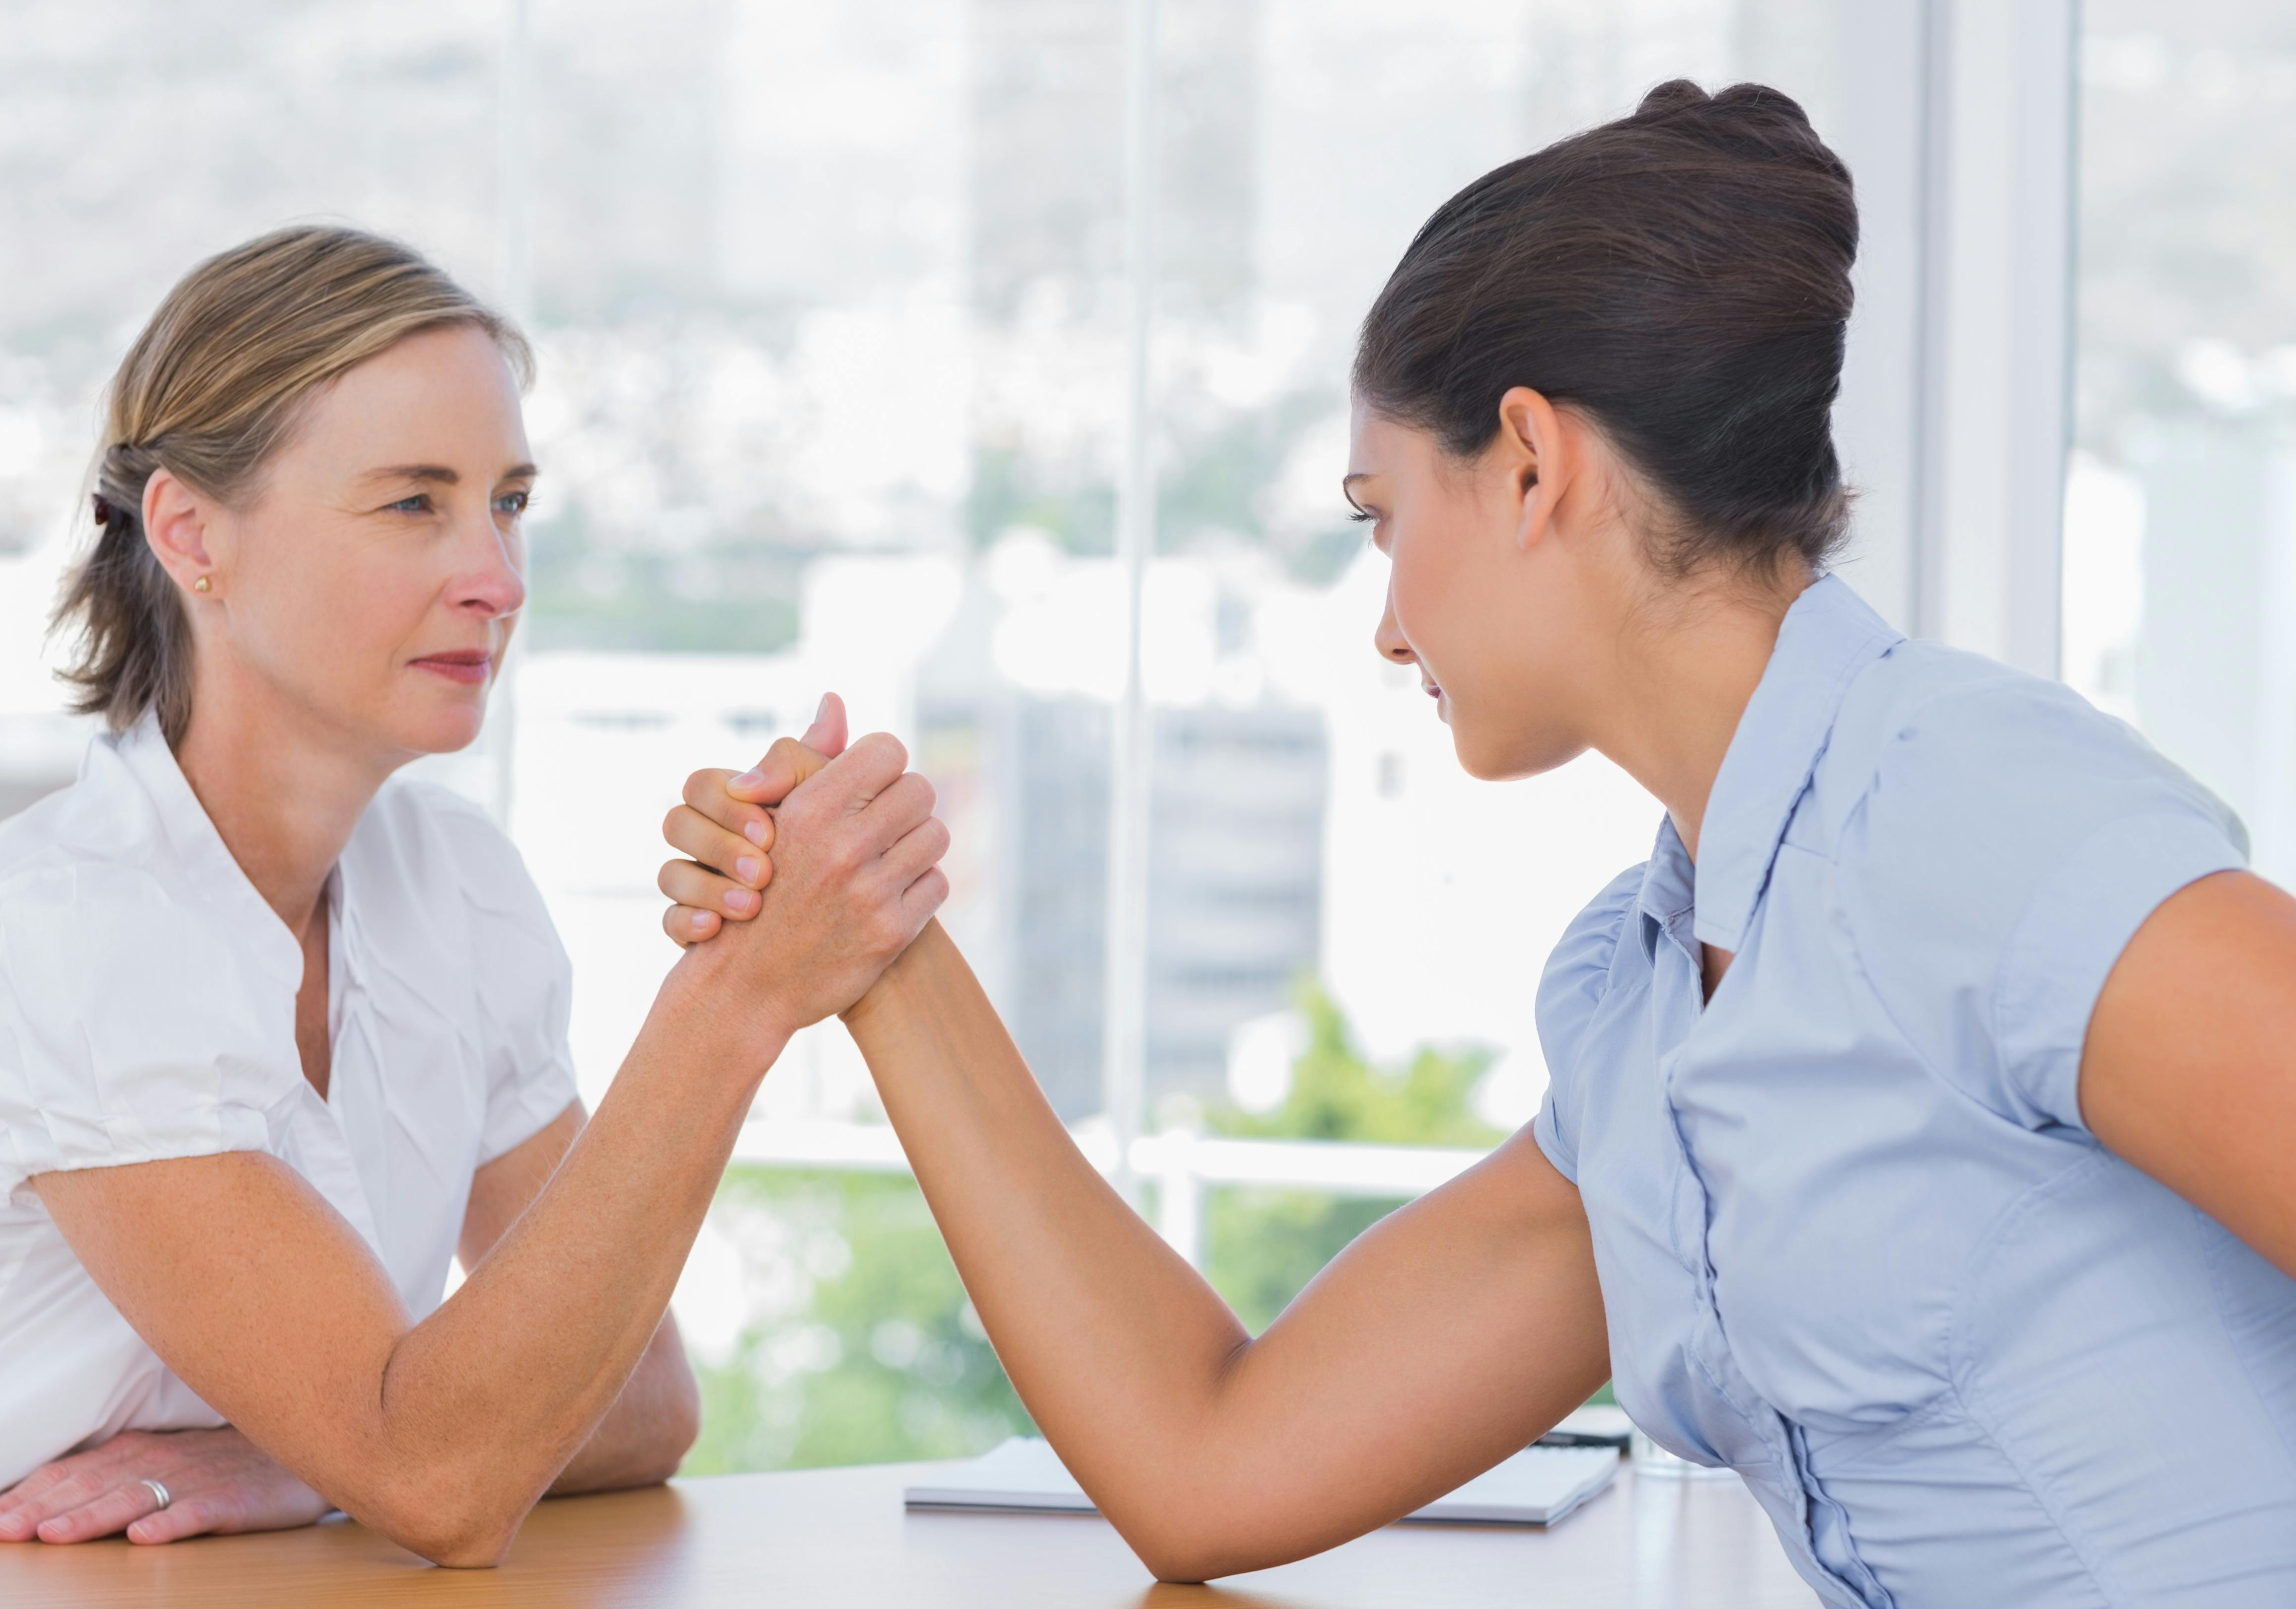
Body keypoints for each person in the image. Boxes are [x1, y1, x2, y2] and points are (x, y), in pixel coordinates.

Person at [659, 83, 2296, 1607]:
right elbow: (1212, 1461)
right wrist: (876, 944)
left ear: (1529, 462)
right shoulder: (1651, 1012)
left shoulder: (1980, 823)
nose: (1385, 625)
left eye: (1383, 518)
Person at [0, 225, 950, 1566]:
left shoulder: (458, 889)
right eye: (411, 504)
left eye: (508, 503)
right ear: (194, 534)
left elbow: (640, 1406)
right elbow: (442, 1479)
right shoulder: (76, 936)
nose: (497, 580)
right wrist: (742, 995)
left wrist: (298, 1462)